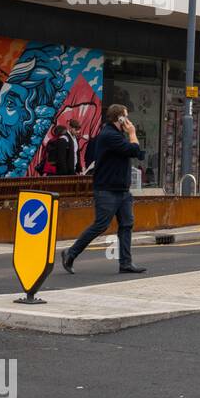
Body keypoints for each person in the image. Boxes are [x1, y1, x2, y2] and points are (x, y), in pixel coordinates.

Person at [61, 104, 146, 275]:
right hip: (107, 189)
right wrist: (132, 134)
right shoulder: (109, 135)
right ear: (119, 118)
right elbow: (134, 150)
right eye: (126, 117)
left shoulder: (118, 135)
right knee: (101, 225)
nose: (128, 121)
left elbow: (138, 153)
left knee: (126, 225)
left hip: (122, 190)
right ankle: (70, 252)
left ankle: (125, 263)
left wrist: (131, 139)